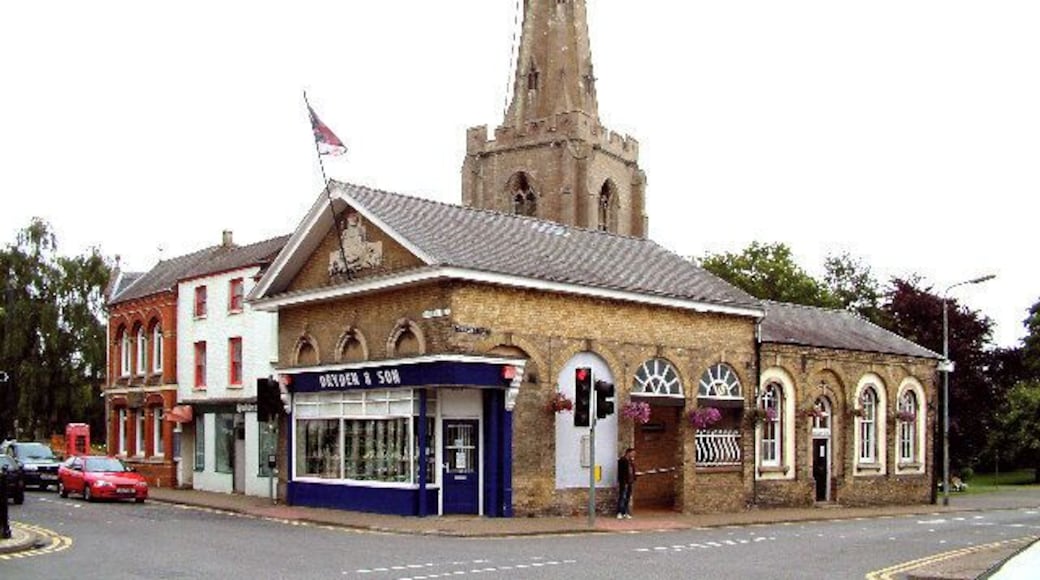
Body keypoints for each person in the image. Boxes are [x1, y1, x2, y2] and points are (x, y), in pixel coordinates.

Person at [616, 447, 636, 519]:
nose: (633, 455)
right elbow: (621, 472)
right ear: (628, 453)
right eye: (632, 453)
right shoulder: (622, 460)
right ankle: (619, 512)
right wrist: (622, 481)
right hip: (624, 482)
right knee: (622, 497)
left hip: (630, 481)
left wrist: (633, 478)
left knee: (627, 497)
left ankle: (625, 512)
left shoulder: (631, 461)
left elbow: (632, 471)